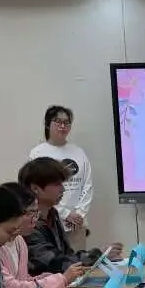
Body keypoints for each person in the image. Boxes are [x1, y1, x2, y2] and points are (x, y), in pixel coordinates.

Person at [19, 157, 120, 275]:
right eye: (57, 184)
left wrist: (101, 255)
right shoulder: (28, 223)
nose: (63, 189)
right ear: (35, 188)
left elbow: (67, 255)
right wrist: (98, 255)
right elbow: (55, 263)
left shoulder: (53, 214)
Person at [0, 182, 89, 288]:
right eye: (31, 213)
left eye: (36, 213)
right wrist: (61, 279)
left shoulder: (19, 241)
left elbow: (24, 280)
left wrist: (49, 277)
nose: (35, 219)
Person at [28, 105, 93, 251]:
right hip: (49, 224)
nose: (63, 126)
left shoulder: (79, 152)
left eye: (66, 122)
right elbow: (37, 190)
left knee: (79, 262)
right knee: (54, 262)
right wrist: (65, 214)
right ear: (47, 124)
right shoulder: (37, 153)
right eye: (58, 121)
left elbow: (87, 186)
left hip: (77, 224)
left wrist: (79, 214)